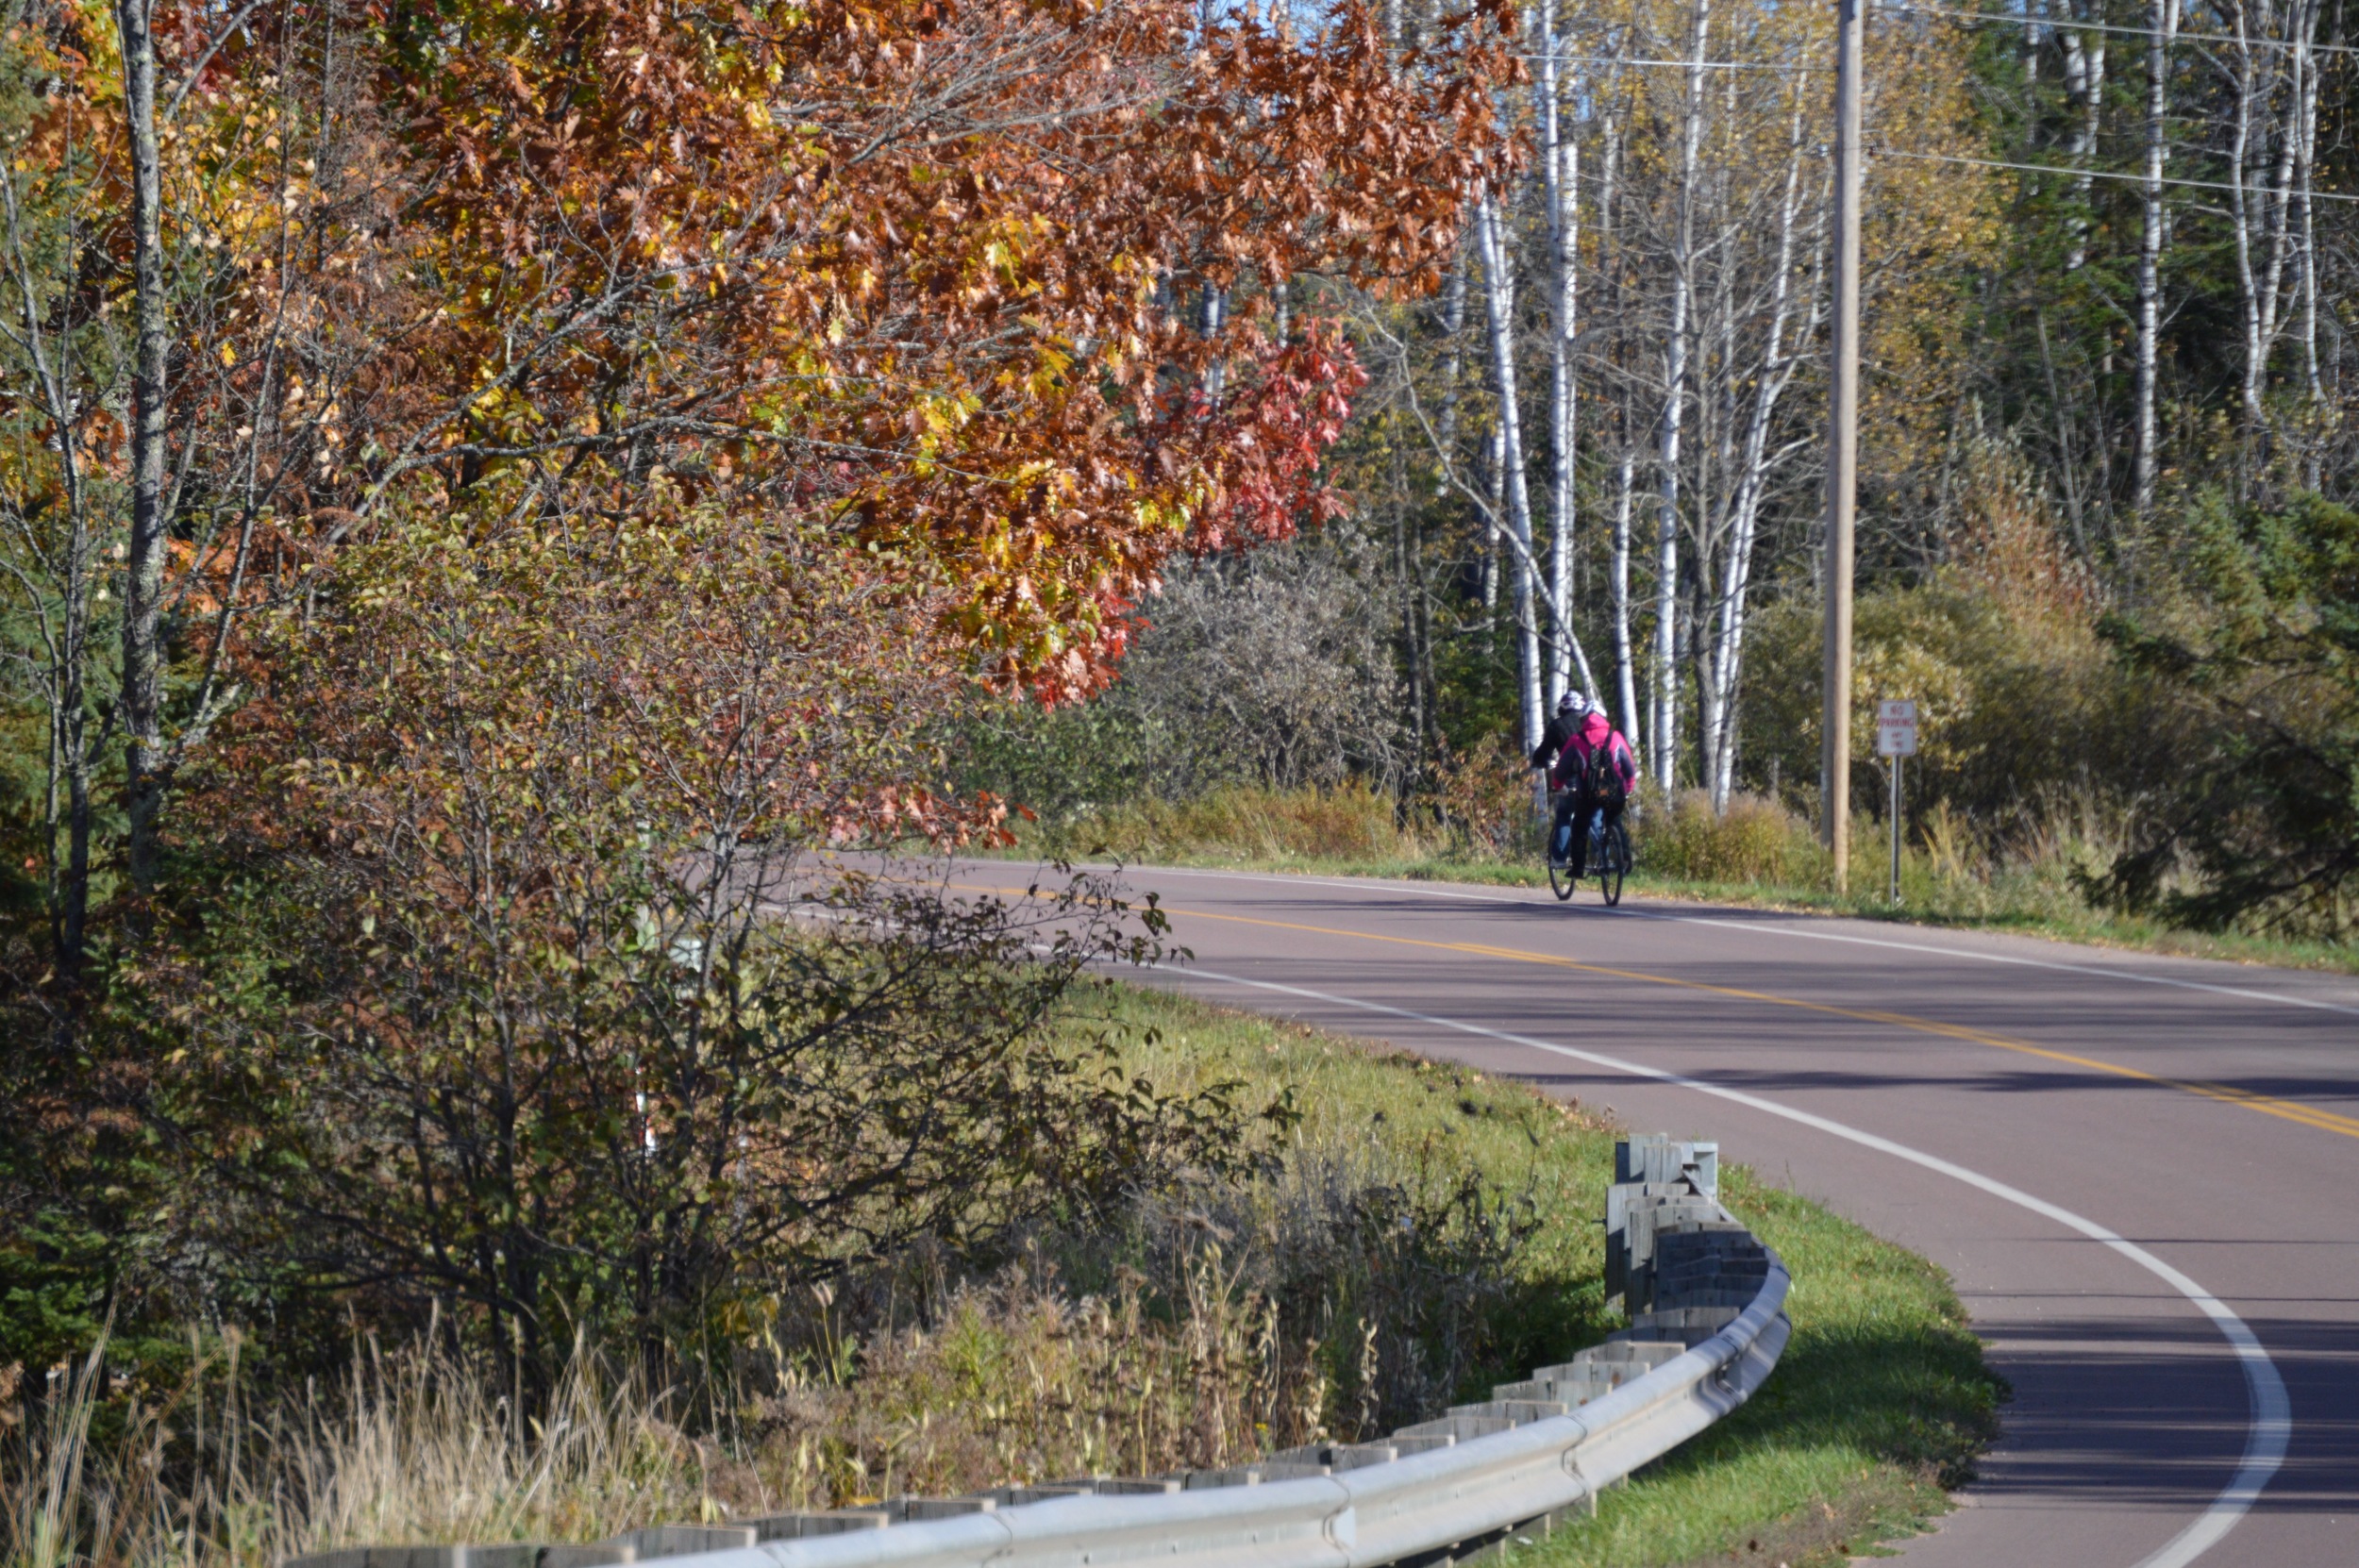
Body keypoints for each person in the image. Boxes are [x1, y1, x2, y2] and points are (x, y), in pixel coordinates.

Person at [1538, 692, 1636, 873]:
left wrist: (1558, 786)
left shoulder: (1577, 738)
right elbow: (1629, 766)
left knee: (1574, 823)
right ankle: (1614, 860)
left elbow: (1561, 768)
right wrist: (1628, 788)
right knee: (1608, 820)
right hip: (1611, 790)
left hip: (1586, 791)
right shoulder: (1615, 736)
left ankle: (1574, 864)